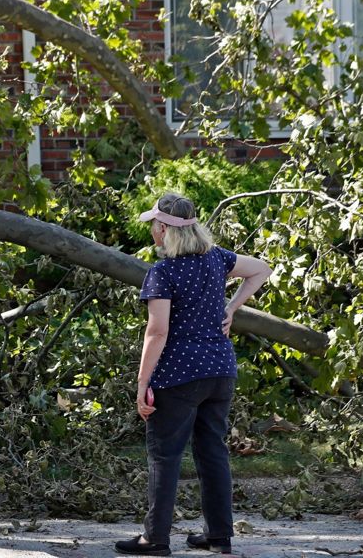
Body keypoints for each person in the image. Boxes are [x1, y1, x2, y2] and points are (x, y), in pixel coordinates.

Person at [116, 193, 272, 556]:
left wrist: (142, 384)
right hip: (220, 370)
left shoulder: (163, 273)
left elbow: (157, 332)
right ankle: (219, 536)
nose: (152, 230)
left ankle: (155, 539)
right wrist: (231, 308)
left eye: (155, 224)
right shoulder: (217, 259)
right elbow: (261, 268)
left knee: (165, 456)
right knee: (212, 452)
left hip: (178, 375)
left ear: (164, 229)